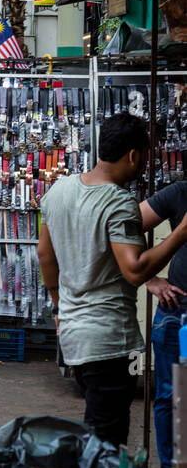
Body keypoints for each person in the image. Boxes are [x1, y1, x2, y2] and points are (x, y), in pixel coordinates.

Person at [38, 113, 187, 449]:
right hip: (108, 339)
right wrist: (180, 234)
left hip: (76, 335)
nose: (145, 166)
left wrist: (60, 306)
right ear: (133, 155)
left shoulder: (58, 190)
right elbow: (134, 270)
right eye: (145, 157)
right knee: (106, 440)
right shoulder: (118, 201)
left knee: (99, 429)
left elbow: (44, 255)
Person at [136, 179, 187, 468]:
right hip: (177, 309)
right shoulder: (180, 192)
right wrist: (149, 278)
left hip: (174, 312)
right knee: (169, 396)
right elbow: (126, 224)